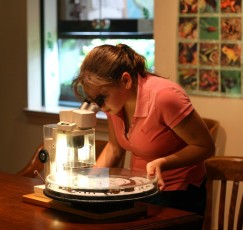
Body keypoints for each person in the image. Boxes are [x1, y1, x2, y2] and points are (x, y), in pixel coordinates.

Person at [72, 44, 215, 216]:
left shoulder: (164, 97)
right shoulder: (115, 103)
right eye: (95, 101)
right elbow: (115, 148)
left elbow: (205, 147)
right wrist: (86, 181)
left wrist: (163, 162)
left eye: (101, 98)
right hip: (141, 187)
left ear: (125, 80)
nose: (100, 106)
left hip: (178, 193)